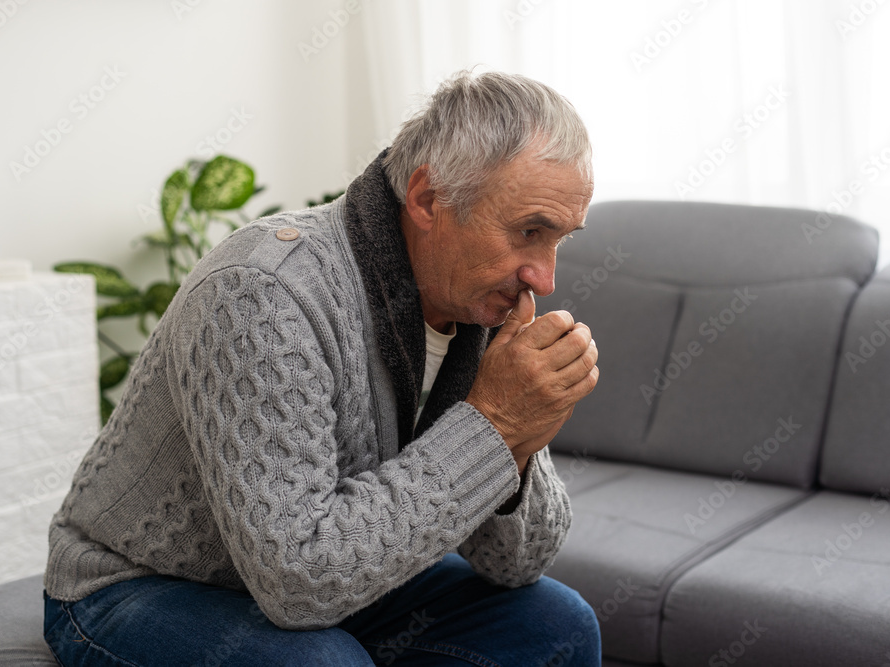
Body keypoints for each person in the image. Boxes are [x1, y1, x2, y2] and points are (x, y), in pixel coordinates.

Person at [43, 70, 601, 666]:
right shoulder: (265, 293)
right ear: (429, 199)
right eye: (528, 232)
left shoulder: (478, 308)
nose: (544, 276)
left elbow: (518, 563)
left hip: (337, 581)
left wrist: (512, 441)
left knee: (558, 625)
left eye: (558, 239)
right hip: (137, 584)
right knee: (323, 664)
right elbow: (297, 581)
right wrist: (493, 425)